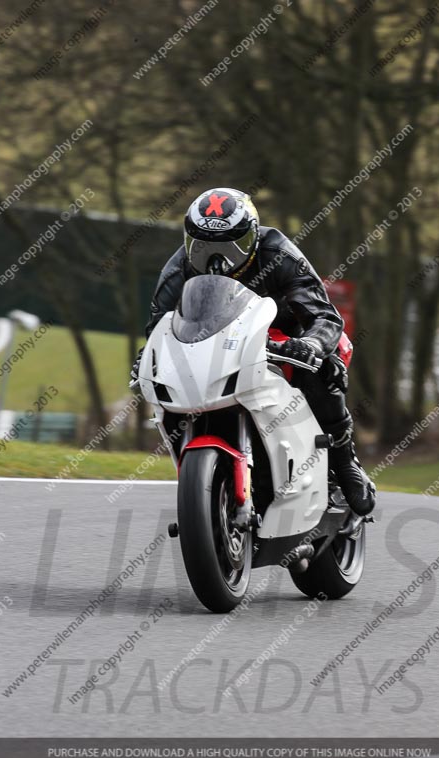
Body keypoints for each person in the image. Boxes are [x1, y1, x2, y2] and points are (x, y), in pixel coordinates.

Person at [131, 187, 375, 516]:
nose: (217, 261)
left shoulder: (279, 252)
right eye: (202, 247)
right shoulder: (179, 268)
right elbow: (159, 326)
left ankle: (345, 463)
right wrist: (150, 356)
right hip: (217, 342)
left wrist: (310, 345)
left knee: (326, 366)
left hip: (286, 334)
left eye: (233, 247)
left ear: (253, 238)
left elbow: (324, 315)